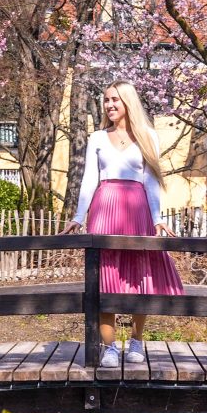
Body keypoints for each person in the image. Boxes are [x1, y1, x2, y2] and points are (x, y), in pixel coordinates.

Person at [61, 80, 183, 367]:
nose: (110, 105)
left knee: (140, 276)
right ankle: (110, 347)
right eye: (106, 100)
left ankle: (137, 341)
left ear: (128, 102)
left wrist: (157, 219)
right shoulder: (98, 138)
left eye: (115, 99)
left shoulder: (147, 137)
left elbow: (151, 181)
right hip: (105, 209)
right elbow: (89, 179)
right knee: (107, 277)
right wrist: (79, 217)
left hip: (137, 208)